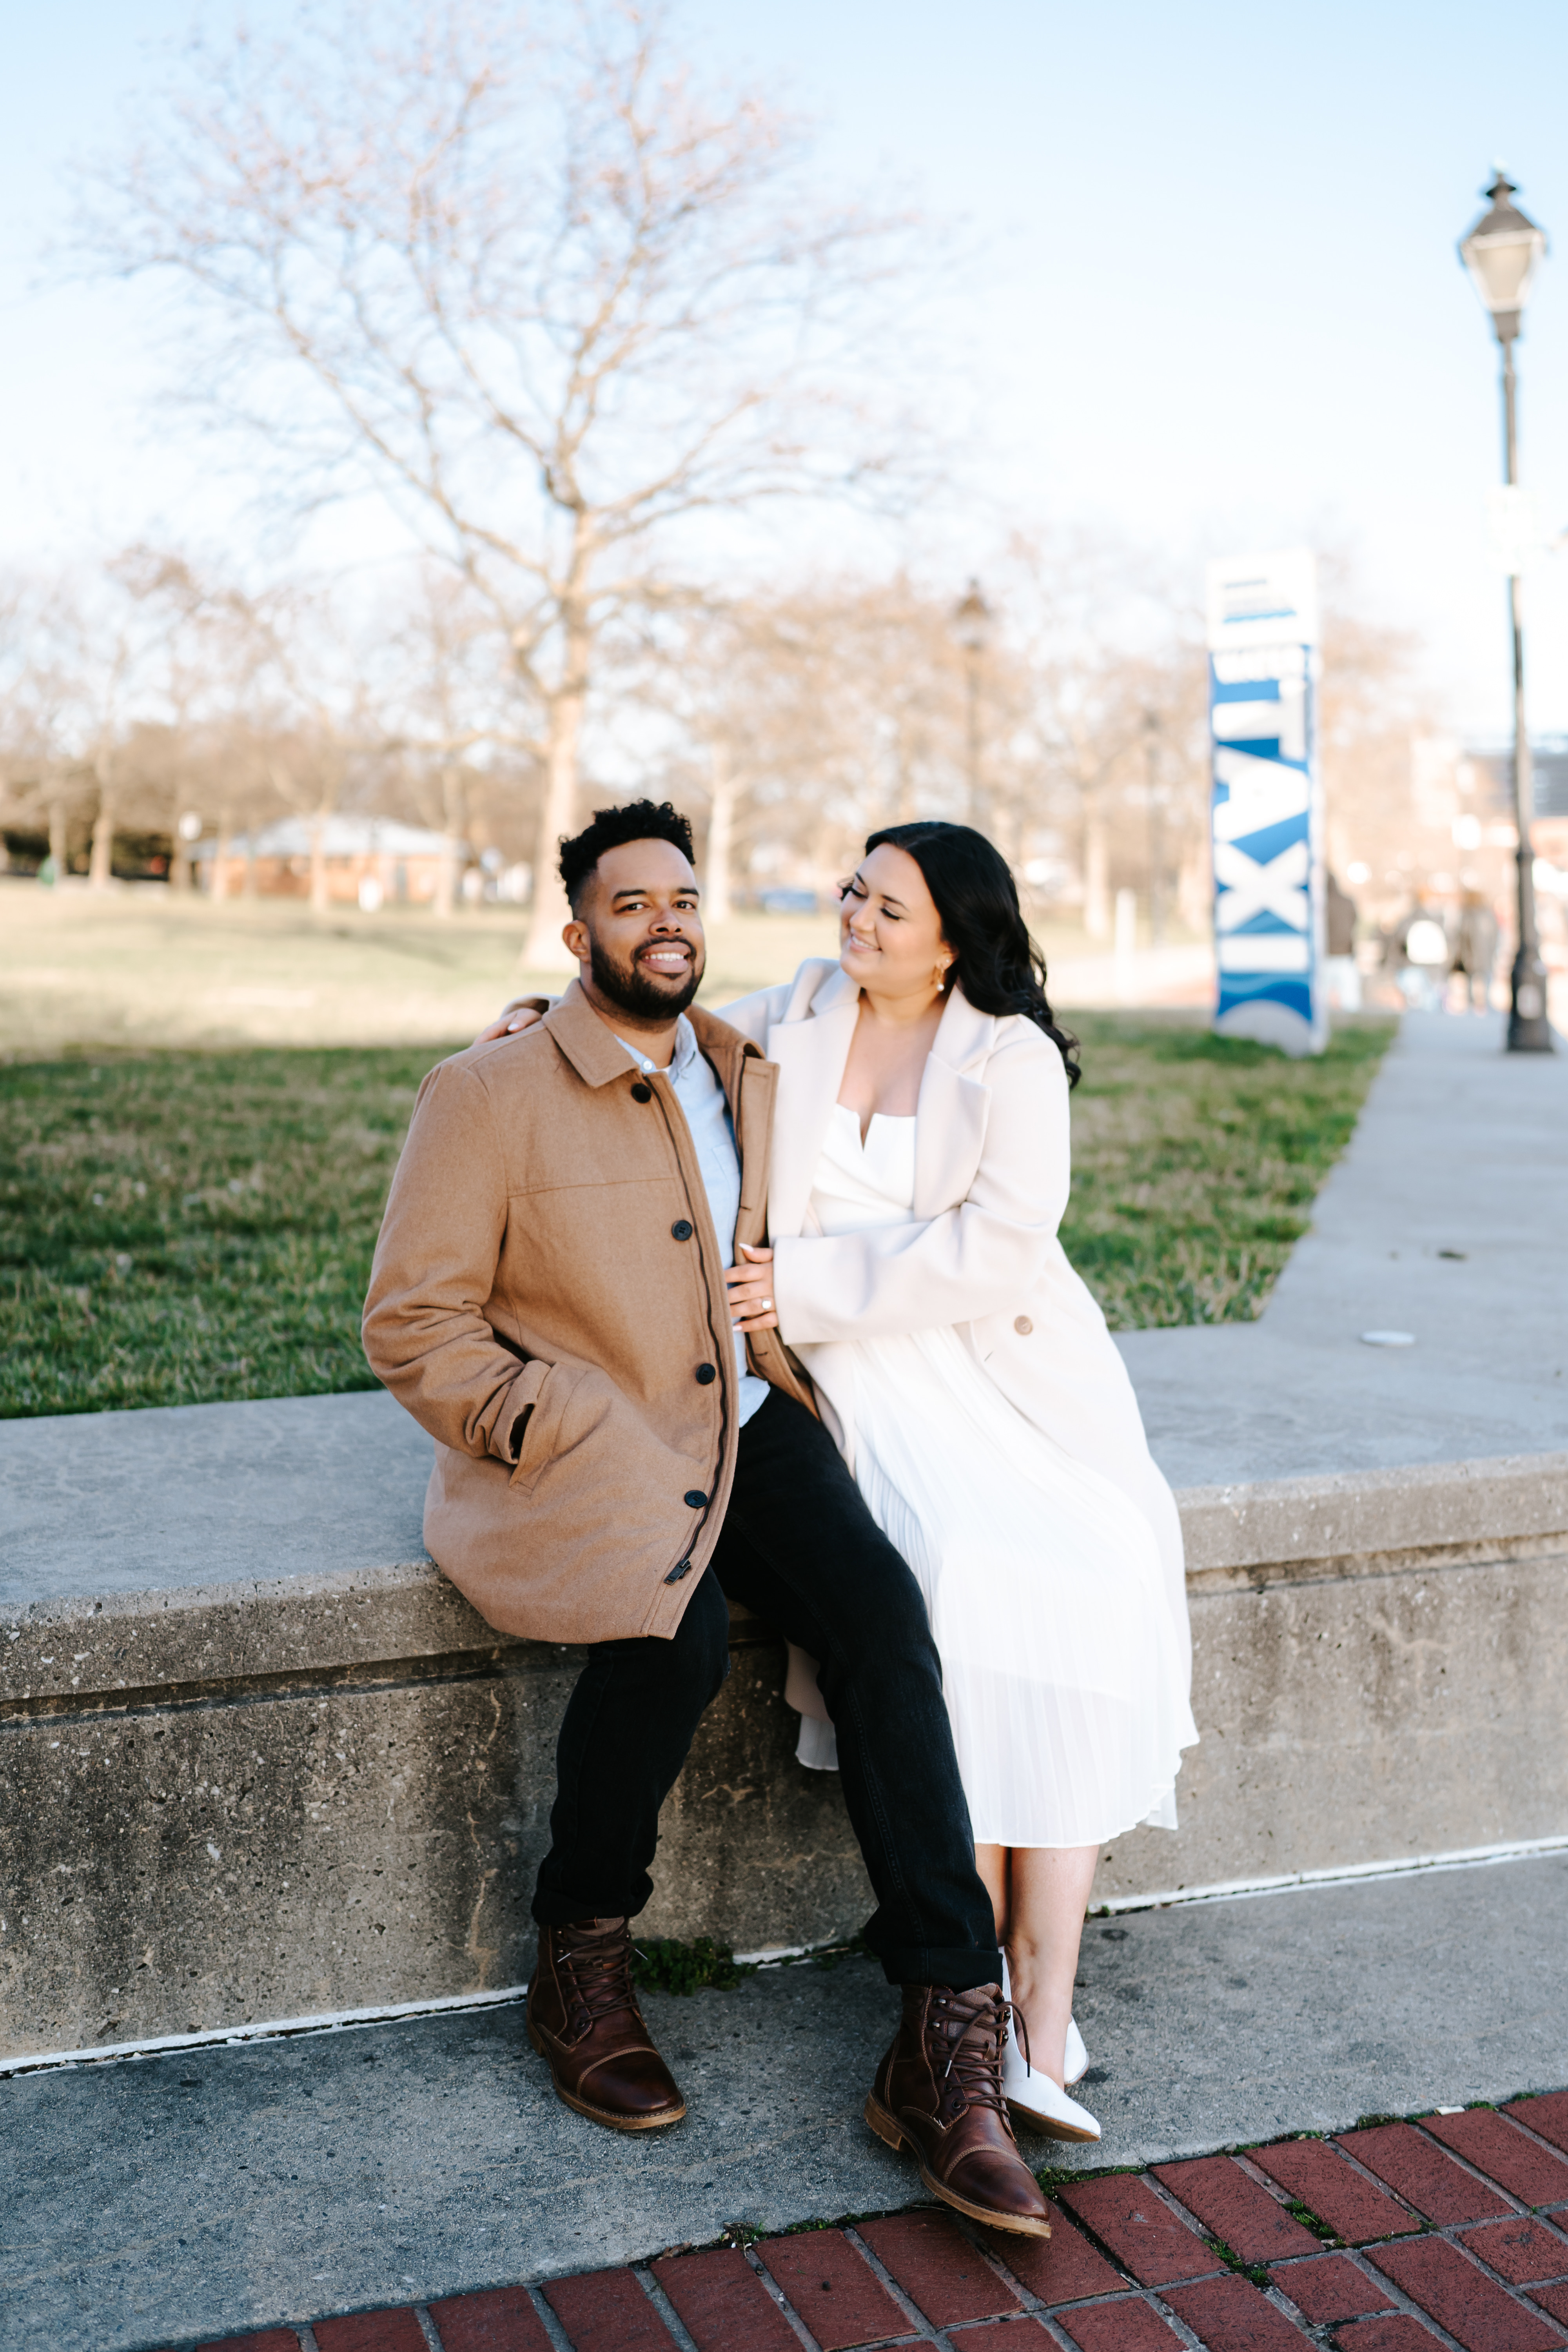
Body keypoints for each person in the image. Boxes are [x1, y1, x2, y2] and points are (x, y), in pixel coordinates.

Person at [365, 800, 1054, 2238]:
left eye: (682, 896)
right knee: (667, 1643)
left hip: (746, 1422)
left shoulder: (746, 1060)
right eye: (629, 903)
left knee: (879, 1616)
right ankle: (581, 1957)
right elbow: (412, 1325)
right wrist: (547, 1422)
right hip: (592, 1441)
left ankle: (942, 2037)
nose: (663, 919)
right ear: (577, 933)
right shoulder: (483, 1093)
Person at [488, 819, 1197, 2147]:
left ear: (952, 944)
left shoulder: (1011, 1057)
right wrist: (532, 1016)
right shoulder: (799, 1009)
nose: (854, 918)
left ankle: (1035, 2011)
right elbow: (656, 1028)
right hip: (837, 1376)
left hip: (980, 1359)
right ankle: (973, 1999)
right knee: (957, 1580)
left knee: (1100, 1559)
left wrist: (797, 1283)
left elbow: (996, 1252)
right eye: (853, 893)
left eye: (886, 909)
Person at [1451, 889, 1498, 1013]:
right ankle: (1487, 1005)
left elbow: (1462, 937)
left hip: (1472, 956)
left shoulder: (1468, 916)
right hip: (1486, 956)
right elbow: (1495, 936)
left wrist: (1459, 956)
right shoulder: (1488, 915)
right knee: (1486, 980)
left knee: (1472, 981)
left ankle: (1472, 1006)